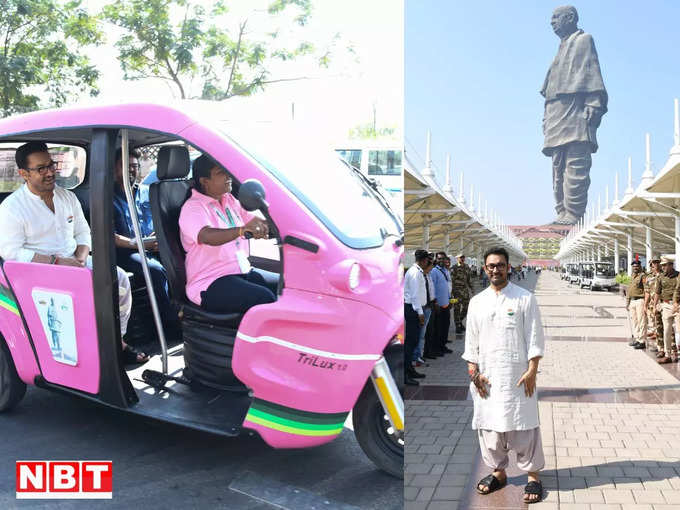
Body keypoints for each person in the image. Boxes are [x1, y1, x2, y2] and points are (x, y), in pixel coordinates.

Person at [0, 141, 144, 363]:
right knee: (80, 295)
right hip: (38, 274)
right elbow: (12, 253)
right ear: (23, 174)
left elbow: (83, 233)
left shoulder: (67, 197)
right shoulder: (11, 208)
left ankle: (117, 342)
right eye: (41, 169)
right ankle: (84, 355)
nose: (50, 172)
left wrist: (80, 258)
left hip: (75, 262)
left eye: (51, 165)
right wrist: (57, 262)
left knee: (119, 278)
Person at [463, 247, 546, 504]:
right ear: (485, 269)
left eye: (500, 265)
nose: (495, 269)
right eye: (491, 266)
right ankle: (498, 472)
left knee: (524, 425)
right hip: (487, 378)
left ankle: (533, 476)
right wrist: (474, 374)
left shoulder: (524, 298)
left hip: (518, 376)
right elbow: (471, 345)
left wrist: (532, 370)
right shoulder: (477, 302)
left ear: (508, 267)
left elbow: (535, 337)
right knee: (490, 427)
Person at [178, 154, 276, 314]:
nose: (228, 176)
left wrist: (273, 225)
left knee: (287, 288)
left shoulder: (230, 200)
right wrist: (240, 230)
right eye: (220, 173)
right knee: (264, 298)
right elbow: (206, 235)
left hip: (241, 271)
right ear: (205, 181)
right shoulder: (193, 207)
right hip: (210, 281)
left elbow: (254, 222)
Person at [541, 5, 607, 225]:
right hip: (556, 113)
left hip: (576, 111)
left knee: (576, 163)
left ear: (570, 18)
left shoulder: (583, 40)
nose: (552, 22)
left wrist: (594, 102)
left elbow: (592, 73)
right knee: (557, 166)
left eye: (555, 18)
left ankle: (574, 213)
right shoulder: (560, 47)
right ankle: (562, 211)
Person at [112, 148, 180, 340]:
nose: (131, 171)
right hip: (126, 251)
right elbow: (112, 237)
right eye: (125, 167)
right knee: (156, 270)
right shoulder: (107, 197)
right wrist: (141, 245)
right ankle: (170, 325)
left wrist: (158, 238)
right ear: (114, 169)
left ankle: (187, 313)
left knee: (180, 260)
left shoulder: (147, 192)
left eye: (134, 167)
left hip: (151, 246)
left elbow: (160, 222)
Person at [403, 249, 430, 385]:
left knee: (413, 342)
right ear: (424, 260)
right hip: (413, 310)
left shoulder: (417, 271)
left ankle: (410, 369)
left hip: (415, 309)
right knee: (410, 342)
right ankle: (405, 374)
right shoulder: (415, 273)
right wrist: (420, 313)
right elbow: (414, 295)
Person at [656, 256, 678, 363]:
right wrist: (656, 305)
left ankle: (676, 352)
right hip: (666, 305)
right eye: (662, 265)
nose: (663, 267)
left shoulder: (678, 275)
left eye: (665, 265)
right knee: (667, 331)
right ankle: (668, 354)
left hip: (678, 306)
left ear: (671, 265)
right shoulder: (660, 277)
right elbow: (657, 292)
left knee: (679, 331)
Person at [430, 252, 453, 355]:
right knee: (437, 328)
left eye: (443, 259)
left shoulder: (445, 271)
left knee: (445, 327)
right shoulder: (434, 271)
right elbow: (432, 288)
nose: (441, 260)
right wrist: (435, 302)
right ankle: (436, 348)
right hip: (438, 305)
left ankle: (443, 346)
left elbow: (447, 287)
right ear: (436, 259)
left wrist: (449, 299)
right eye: (439, 259)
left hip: (446, 303)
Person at [626, 260, 647, 350]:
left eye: (637, 266)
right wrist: (627, 303)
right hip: (632, 301)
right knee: (634, 321)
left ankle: (642, 341)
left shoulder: (643, 276)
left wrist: (646, 304)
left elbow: (646, 290)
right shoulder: (632, 276)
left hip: (640, 301)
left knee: (641, 321)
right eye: (634, 266)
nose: (635, 268)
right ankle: (637, 339)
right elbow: (629, 290)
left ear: (640, 266)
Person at [644, 257, 663, 352]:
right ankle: (659, 346)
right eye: (653, 263)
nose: (655, 265)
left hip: (662, 304)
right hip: (652, 304)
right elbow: (647, 292)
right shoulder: (649, 277)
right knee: (656, 325)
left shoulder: (664, 275)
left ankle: (667, 347)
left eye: (657, 263)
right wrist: (645, 305)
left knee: (664, 326)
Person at [451, 253, 473, 332]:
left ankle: (459, 321)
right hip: (456, 292)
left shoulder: (467, 267)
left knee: (466, 308)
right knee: (456, 309)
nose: (462, 259)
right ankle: (458, 325)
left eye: (463, 257)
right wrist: (451, 293)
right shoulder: (454, 268)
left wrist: (472, 289)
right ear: (457, 258)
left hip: (465, 291)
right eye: (460, 257)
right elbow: (451, 281)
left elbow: (469, 279)